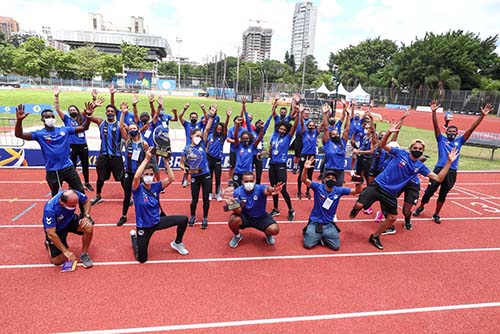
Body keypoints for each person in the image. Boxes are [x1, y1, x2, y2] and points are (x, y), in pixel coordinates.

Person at [349, 121, 458, 250]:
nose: (417, 150)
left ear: (423, 151)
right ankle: (356, 208)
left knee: (392, 217)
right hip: (378, 185)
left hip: (390, 193)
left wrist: (449, 162)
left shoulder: (420, 166)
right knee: (359, 205)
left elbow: (439, 178)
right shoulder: (400, 153)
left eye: (420, 149)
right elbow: (382, 145)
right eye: (415, 148)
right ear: (410, 148)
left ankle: (375, 236)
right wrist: (389, 132)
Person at [413, 101, 493, 223]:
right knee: (429, 191)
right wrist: (433, 112)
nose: (451, 133)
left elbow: (471, 129)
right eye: (449, 131)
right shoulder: (441, 139)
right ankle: (421, 207)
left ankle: (436, 214)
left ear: (457, 133)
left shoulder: (460, 141)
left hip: (451, 171)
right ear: (446, 132)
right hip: (439, 169)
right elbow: (435, 126)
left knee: (443, 194)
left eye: (454, 131)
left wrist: (482, 116)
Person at [15, 103, 94, 200]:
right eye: (47, 117)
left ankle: (84, 213)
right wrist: (19, 121)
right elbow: (19, 134)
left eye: (52, 116)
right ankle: (59, 215)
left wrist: (89, 116)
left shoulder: (64, 130)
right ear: (42, 120)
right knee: (56, 197)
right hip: (53, 171)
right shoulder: (39, 134)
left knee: (80, 192)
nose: (50, 118)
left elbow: (84, 128)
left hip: (68, 168)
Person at [130, 148, 189, 263]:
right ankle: (134, 238)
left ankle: (177, 243)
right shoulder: (137, 189)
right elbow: (136, 177)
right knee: (142, 259)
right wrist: (147, 159)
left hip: (157, 221)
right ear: (142, 176)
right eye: (146, 174)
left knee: (183, 219)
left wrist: (166, 162)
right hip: (144, 227)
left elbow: (172, 178)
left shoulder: (156, 186)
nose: (149, 176)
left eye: (151, 174)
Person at [301, 156, 362, 250]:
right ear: (324, 180)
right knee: (308, 245)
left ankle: (321, 237)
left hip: (329, 224)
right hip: (315, 223)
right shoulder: (318, 187)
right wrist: (305, 168)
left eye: (333, 178)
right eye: (328, 177)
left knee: (336, 247)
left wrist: (359, 182)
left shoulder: (339, 190)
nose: (331, 179)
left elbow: (357, 191)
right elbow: (304, 180)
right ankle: (314, 234)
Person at [53, 87, 102, 192]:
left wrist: (94, 98)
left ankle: (87, 182)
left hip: (82, 145)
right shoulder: (66, 119)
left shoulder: (82, 117)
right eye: (70, 110)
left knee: (85, 165)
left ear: (77, 110)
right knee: (72, 166)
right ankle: (72, 184)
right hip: (71, 146)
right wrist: (56, 96)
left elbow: (90, 108)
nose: (72, 111)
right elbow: (57, 109)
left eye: (74, 109)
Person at [226, 172, 283, 248]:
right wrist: (232, 206)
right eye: (246, 181)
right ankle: (237, 236)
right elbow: (238, 211)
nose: (249, 183)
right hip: (246, 216)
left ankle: (268, 233)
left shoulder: (260, 188)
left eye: (251, 181)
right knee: (233, 220)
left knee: (275, 230)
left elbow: (267, 190)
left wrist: (273, 189)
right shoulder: (238, 192)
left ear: (255, 181)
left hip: (260, 217)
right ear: (242, 181)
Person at [180, 107, 214, 229]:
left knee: (206, 199)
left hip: (206, 175)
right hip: (194, 176)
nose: (199, 137)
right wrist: (184, 169)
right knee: (194, 200)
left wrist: (211, 116)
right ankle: (193, 216)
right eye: (197, 135)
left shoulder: (203, 144)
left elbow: (208, 128)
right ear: (192, 135)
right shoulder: (187, 148)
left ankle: (205, 217)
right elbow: (181, 163)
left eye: (200, 135)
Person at [267, 95, 300, 220]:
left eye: (283, 129)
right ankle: (275, 209)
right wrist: (274, 104)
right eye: (280, 128)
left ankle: (291, 210)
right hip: (272, 165)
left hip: (281, 165)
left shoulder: (287, 138)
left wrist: (298, 114)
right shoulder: (275, 136)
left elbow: (294, 126)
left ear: (286, 131)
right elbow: (274, 116)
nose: (281, 130)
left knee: (283, 189)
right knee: (274, 188)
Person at [42, 189, 94, 268]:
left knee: (89, 227)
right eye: (73, 205)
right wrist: (65, 251)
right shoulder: (50, 210)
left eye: (76, 203)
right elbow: (51, 233)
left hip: (70, 219)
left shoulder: (73, 194)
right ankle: (48, 243)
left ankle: (84, 254)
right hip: (57, 229)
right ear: (62, 203)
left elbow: (87, 201)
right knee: (57, 261)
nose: (75, 206)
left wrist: (86, 216)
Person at [117, 102, 148, 227]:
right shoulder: (128, 141)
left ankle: (142, 214)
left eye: (134, 128)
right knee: (127, 195)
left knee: (141, 195)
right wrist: (123, 114)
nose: (132, 130)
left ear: (138, 130)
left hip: (139, 174)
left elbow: (147, 159)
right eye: (130, 129)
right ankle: (124, 215)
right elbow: (120, 127)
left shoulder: (143, 144)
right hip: (128, 173)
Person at [88, 103, 124, 205]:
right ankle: (98, 196)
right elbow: (87, 116)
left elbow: (129, 135)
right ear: (105, 112)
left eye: (112, 111)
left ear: (115, 113)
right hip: (103, 155)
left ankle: (128, 197)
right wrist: (93, 106)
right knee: (100, 178)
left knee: (121, 178)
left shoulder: (120, 125)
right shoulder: (101, 122)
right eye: (108, 111)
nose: (110, 113)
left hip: (116, 156)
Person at [206, 107, 231, 201]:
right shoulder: (210, 136)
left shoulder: (223, 137)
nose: (219, 131)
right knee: (209, 177)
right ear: (215, 129)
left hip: (217, 160)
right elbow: (207, 146)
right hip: (209, 158)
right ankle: (209, 193)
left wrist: (228, 117)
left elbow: (225, 127)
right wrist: (207, 151)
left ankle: (217, 193)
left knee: (217, 177)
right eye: (218, 129)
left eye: (221, 130)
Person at [296, 107, 318, 199]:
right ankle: (299, 191)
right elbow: (301, 122)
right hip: (304, 155)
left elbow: (324, 125)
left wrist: (327, 114)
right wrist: (300, 113)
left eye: (313, 125)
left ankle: (308, 191)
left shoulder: (315, 133)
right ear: (307, 125)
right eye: (310, 125)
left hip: (312, 156)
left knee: (310, 175)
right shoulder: (304, 132)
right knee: (301, 173)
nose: (311, 126)